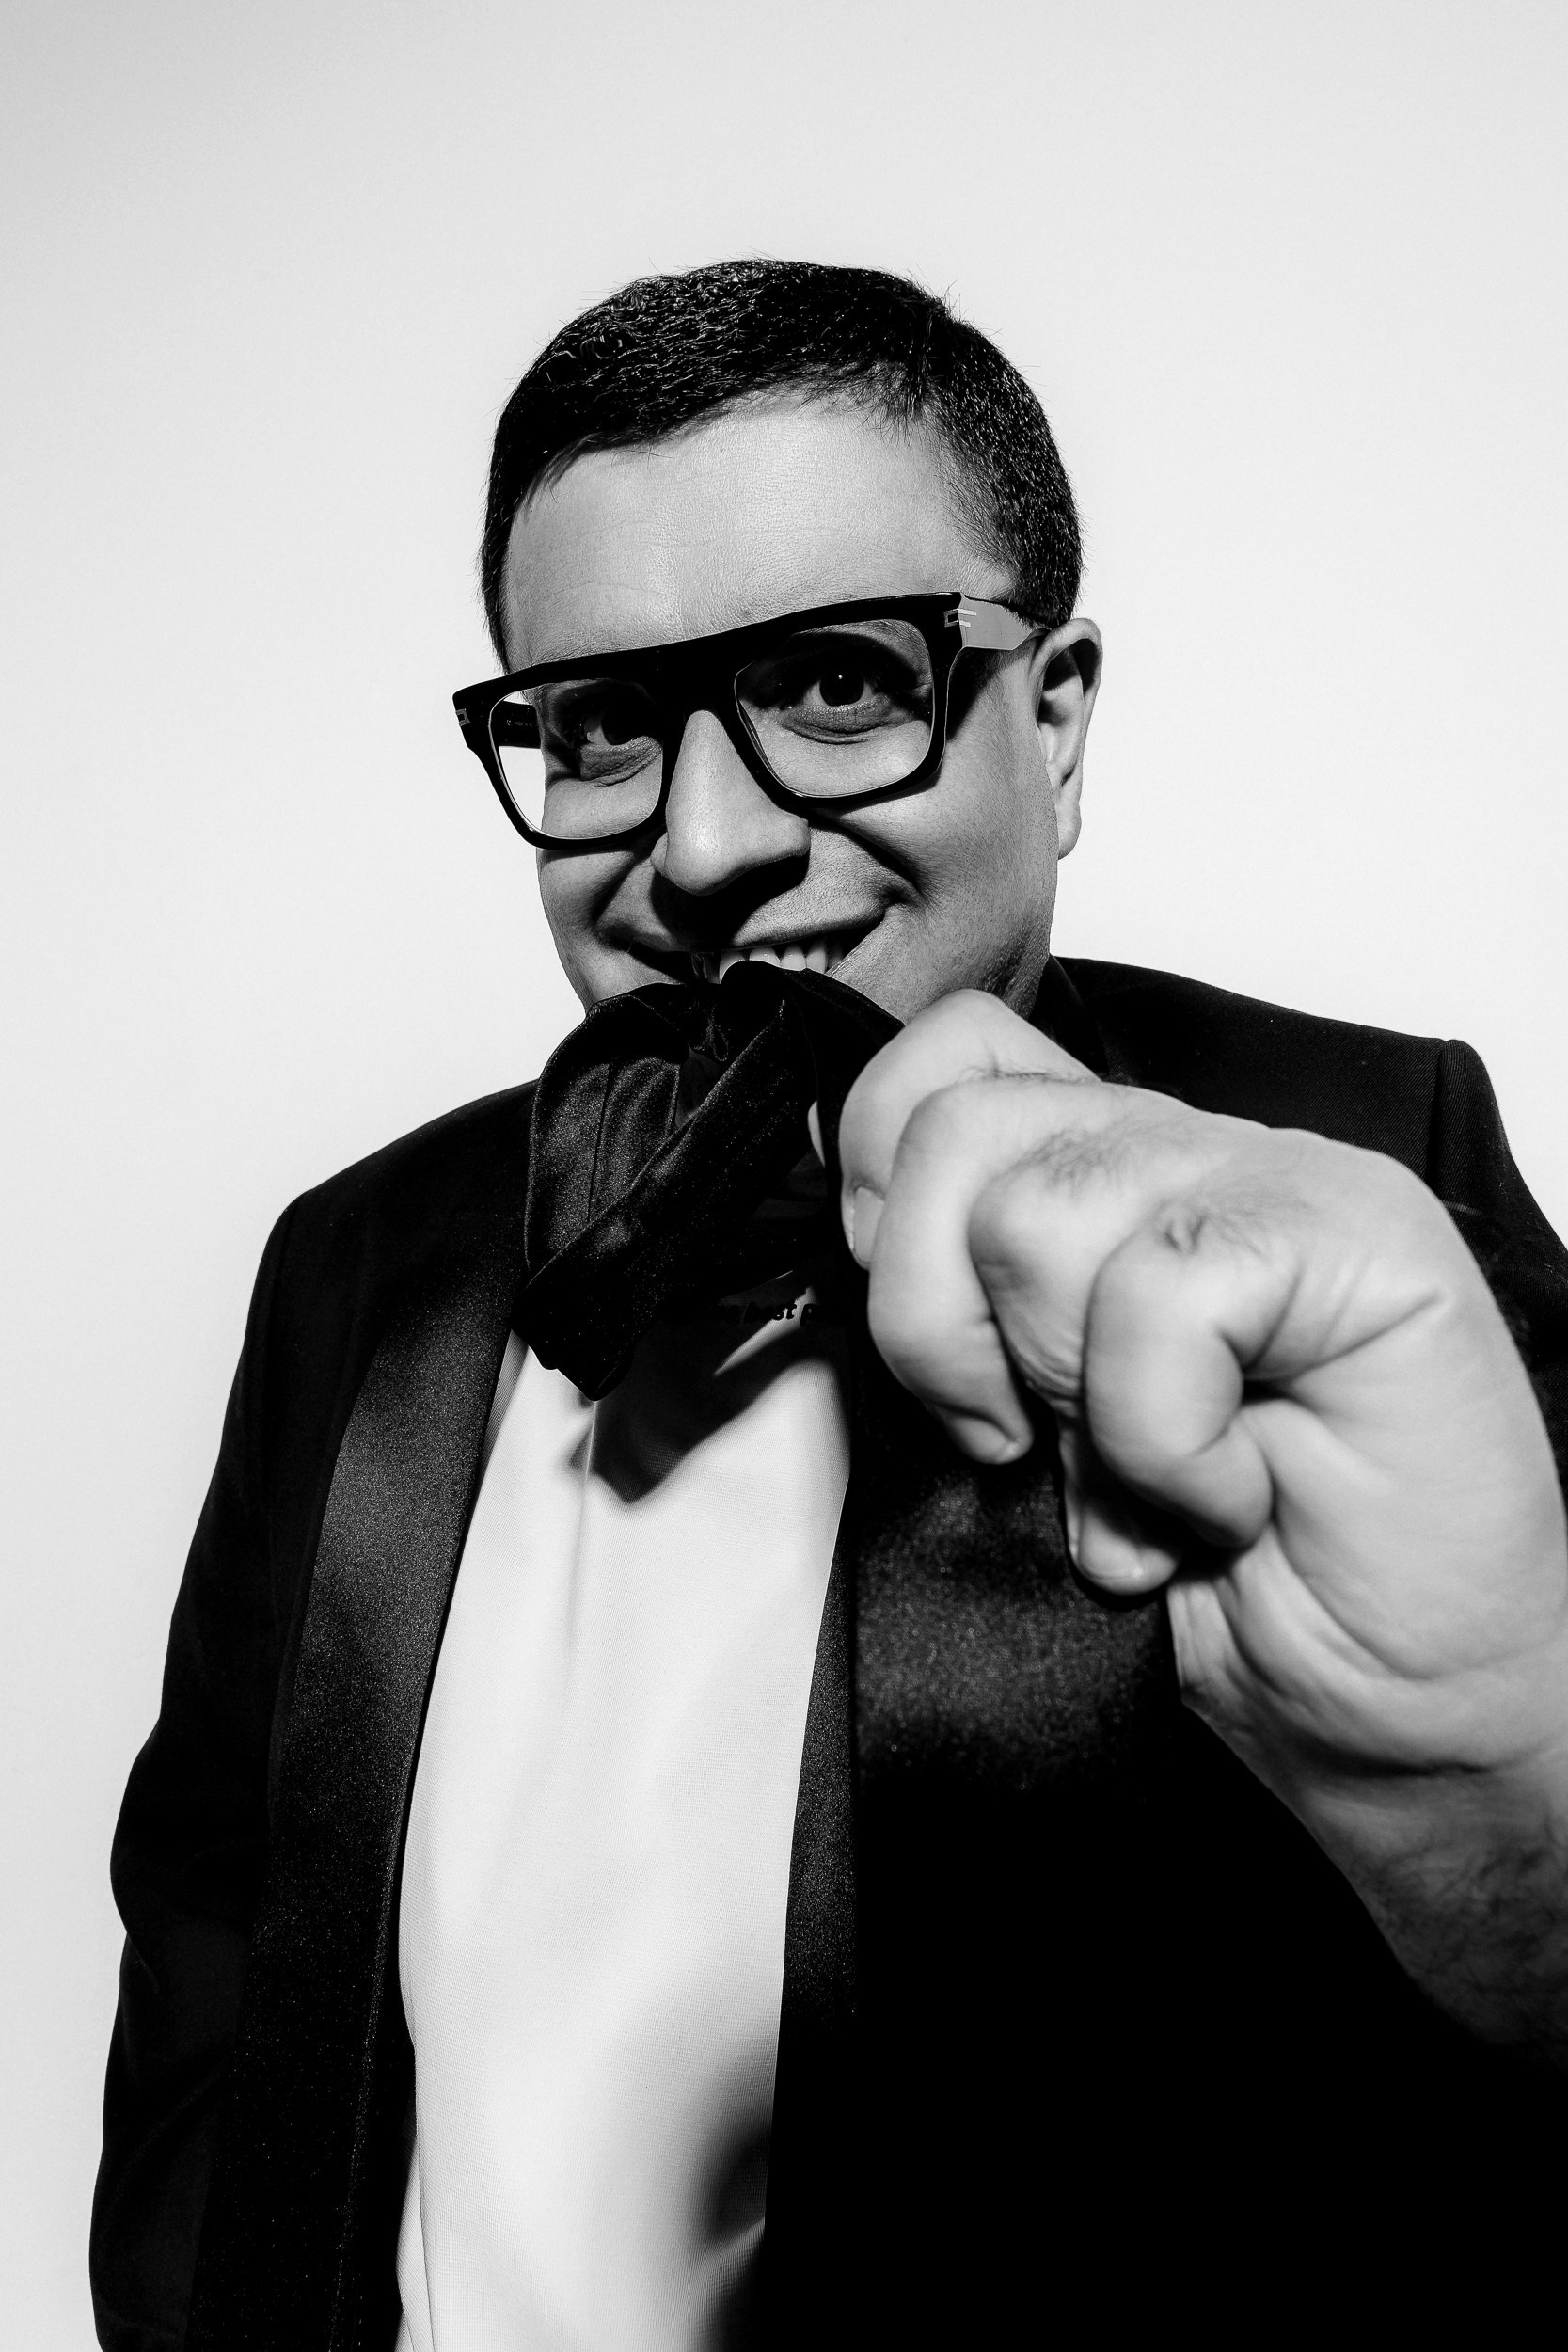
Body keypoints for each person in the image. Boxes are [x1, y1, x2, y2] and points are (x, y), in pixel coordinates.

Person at [92, 261, 1568, 2352]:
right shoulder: (356, 1260)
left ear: (1054, 718)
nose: (702, 846)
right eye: (600, 726)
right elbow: (218, 1950)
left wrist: (1518, 1825)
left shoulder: (1359, 1169)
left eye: (837, 684)